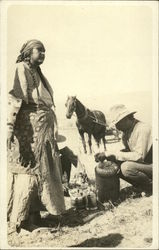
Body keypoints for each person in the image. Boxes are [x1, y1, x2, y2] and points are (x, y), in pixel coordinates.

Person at [7, 39, 65, 232]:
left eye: (44, 51)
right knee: (28, 172)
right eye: (39, 50)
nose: (43, 54)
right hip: (28, 129)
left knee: (41, 172)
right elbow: (15, 98)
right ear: (27, 52)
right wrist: (9, 126)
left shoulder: (37, 73)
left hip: (43, 129)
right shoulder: (21, 68)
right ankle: (22, 221)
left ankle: (36, 217)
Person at [95, 104, 152, 193]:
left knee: (127, 167)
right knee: (113, 164)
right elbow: (128, 151)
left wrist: (115, 154)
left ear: (125, 119)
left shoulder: (143, 129)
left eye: (117, 124)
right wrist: (109, 155)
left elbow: (139, 156)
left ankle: (151, 187)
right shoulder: (126, 132)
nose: (117, 127)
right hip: (146, 165)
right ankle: (140, 185)